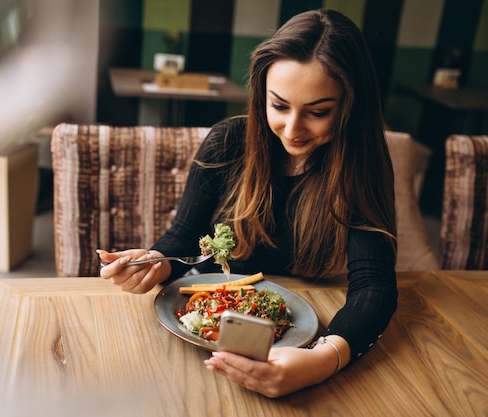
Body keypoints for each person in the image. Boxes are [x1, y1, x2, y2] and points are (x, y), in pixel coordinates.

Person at [97, 9, 397, 398]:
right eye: (279, 106)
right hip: (199, 340)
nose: (292, 129)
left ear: (348, 107)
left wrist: (325, 359)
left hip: (305, 335)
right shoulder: (227, 142)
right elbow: (184, 242)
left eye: (318, 112)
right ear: (261, 95)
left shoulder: (362, 164)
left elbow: (374, 287)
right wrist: (155, 263)